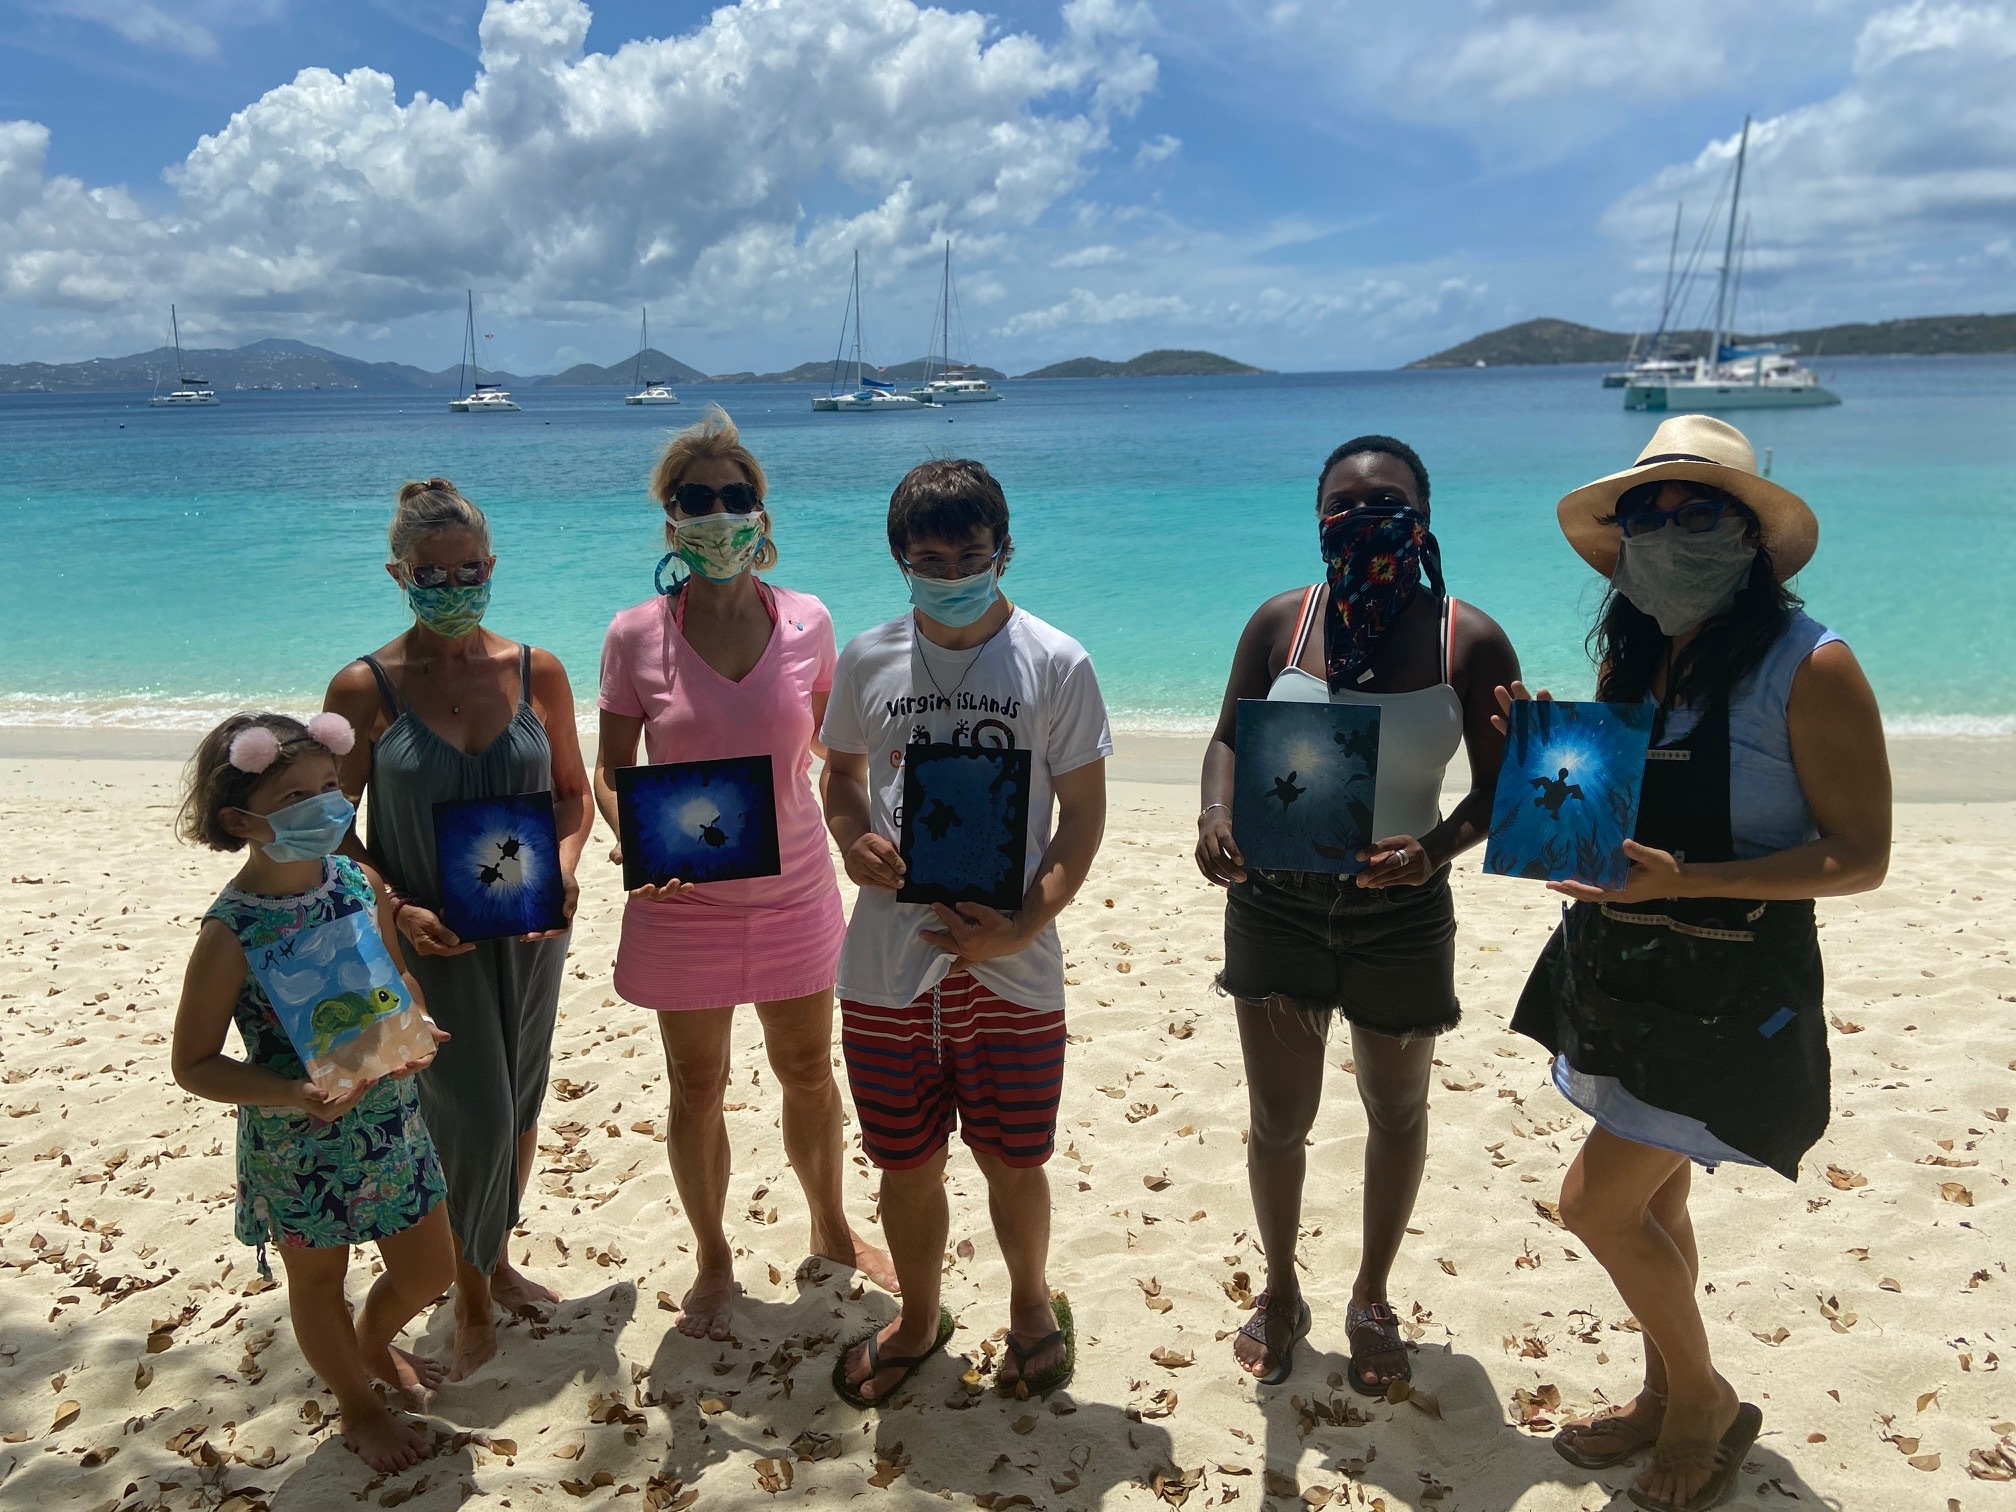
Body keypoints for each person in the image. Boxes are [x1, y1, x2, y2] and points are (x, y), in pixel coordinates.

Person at [1507, 416, 1890, 1512]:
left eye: (1699, 510)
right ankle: (1662, 1387)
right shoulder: (1641, 655)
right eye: (1647, 513)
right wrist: (1552, 778)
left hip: (1731, 992)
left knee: (1595, 1206)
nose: (1668, 532)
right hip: (1625, 975)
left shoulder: (1812, 665)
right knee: (1656, 1210)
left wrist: (1687, 884)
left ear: (1751, 536)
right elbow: (1623, 830)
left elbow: (1861, 858)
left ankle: (1701, 1404)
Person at [1195, 436, 1519, 1391]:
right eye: (1343, 501)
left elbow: (1505, 794)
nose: (1364, 516)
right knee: (1279, 1118)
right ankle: (1283, 1287)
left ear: (1423, 517)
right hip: (1275, 903)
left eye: (1388, 500)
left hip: (1404, 911)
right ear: (1318, 517)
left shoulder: (1470, 637)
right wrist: (1216, 815)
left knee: (1396, 1107)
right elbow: (1225, 739)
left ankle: (1371, 1291)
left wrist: (1434, 849)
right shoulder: (1279, 624)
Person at [593, 406, 895, 1341]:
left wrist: (865, 831)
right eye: (699, 499)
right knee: (696, 1086)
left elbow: (838, 756)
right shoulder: (635, 633)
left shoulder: (808, 619)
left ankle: (832, 1223)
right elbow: (612, 770)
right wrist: (634, 843)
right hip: (681, 901)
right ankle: (714, 1257)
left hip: (797, 885)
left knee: (808, 1070)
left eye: (737, 496)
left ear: (761, 514)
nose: (719, 513)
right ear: (671, 521)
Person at [820, 459, 1111, 1406]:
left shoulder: (1056, 660)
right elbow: (843, 777)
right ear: (900, 558)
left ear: (1004, 550)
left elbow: (1082, 819)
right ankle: (917, 1317)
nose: (952, 572)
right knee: (904, 1162)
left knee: (1015, 1159)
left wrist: (1023, 926)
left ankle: (1030, 1306)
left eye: (971, 554)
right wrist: (851, 836)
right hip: (884, 965)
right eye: (930, 557)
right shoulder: (867, 658)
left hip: (1014, 964)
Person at [323, 478, 594, 1379]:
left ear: (492, 565)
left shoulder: (536, 670)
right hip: (428, 943)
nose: (453, 586)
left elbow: (571, 797)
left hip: (527, 935)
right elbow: (328, 825)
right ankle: (470, 1292)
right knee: (467, 1115)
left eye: (468, 569)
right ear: (399, 573)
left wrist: (565, 869)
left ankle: (495, 1256)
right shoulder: (364, 687)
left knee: (517, 1103)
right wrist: (395, 909)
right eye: (432, 573)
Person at [170, 712, 454, 1472]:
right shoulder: (231, 931)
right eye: (298, 796)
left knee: (431, 1270)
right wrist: (293, 1093)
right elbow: (193, 1064)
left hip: (391, 1122)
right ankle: (358, 1405)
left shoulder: (359, 881)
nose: (328, 806)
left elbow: (398, 981)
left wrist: (418, 1024)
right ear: (242, 820)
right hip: (298, 1140)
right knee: (319, 1281)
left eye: (331, 787)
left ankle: (371, 1344)